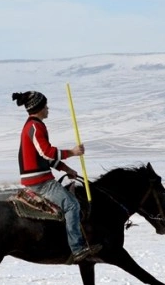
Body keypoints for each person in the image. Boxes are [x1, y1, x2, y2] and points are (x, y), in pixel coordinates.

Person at [13, 91, 101, 264]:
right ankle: (77, 248)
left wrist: (66, 169)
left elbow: (44, 159)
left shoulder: (32, 126)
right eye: (45, 105)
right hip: (40, 182)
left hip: (38, 177)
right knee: (72, 205)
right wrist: (73, 152)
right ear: (38, 108)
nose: (48, 108)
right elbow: (47, 152)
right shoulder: (35, 127)